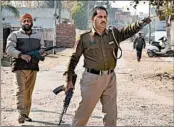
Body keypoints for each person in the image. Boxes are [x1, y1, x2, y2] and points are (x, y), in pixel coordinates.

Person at [65, 6, 151, 127]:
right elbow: (74, 59)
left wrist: (140, 23)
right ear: (93, 18)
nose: (103, 19)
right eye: (100, 17)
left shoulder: (113, 34)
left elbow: (127, 30)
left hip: (110, 78)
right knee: (83, 114)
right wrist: (69, 80)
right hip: (92, 79)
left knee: (111, 115)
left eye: (105, 17)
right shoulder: (85, 38)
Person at [6, 13, 45, 124]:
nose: (27, 22)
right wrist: (21, 55)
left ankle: (26, 114)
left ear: (32, 22)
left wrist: (42, 53)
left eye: (29, 20)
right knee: (20, 90)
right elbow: (9, 49)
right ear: (21, 23)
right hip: (20, 67)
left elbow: (43, 48)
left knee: (28, 92)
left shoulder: (38, 35)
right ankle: (21, 113)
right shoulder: (15, 35)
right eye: (25, 21)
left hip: (33, 67)